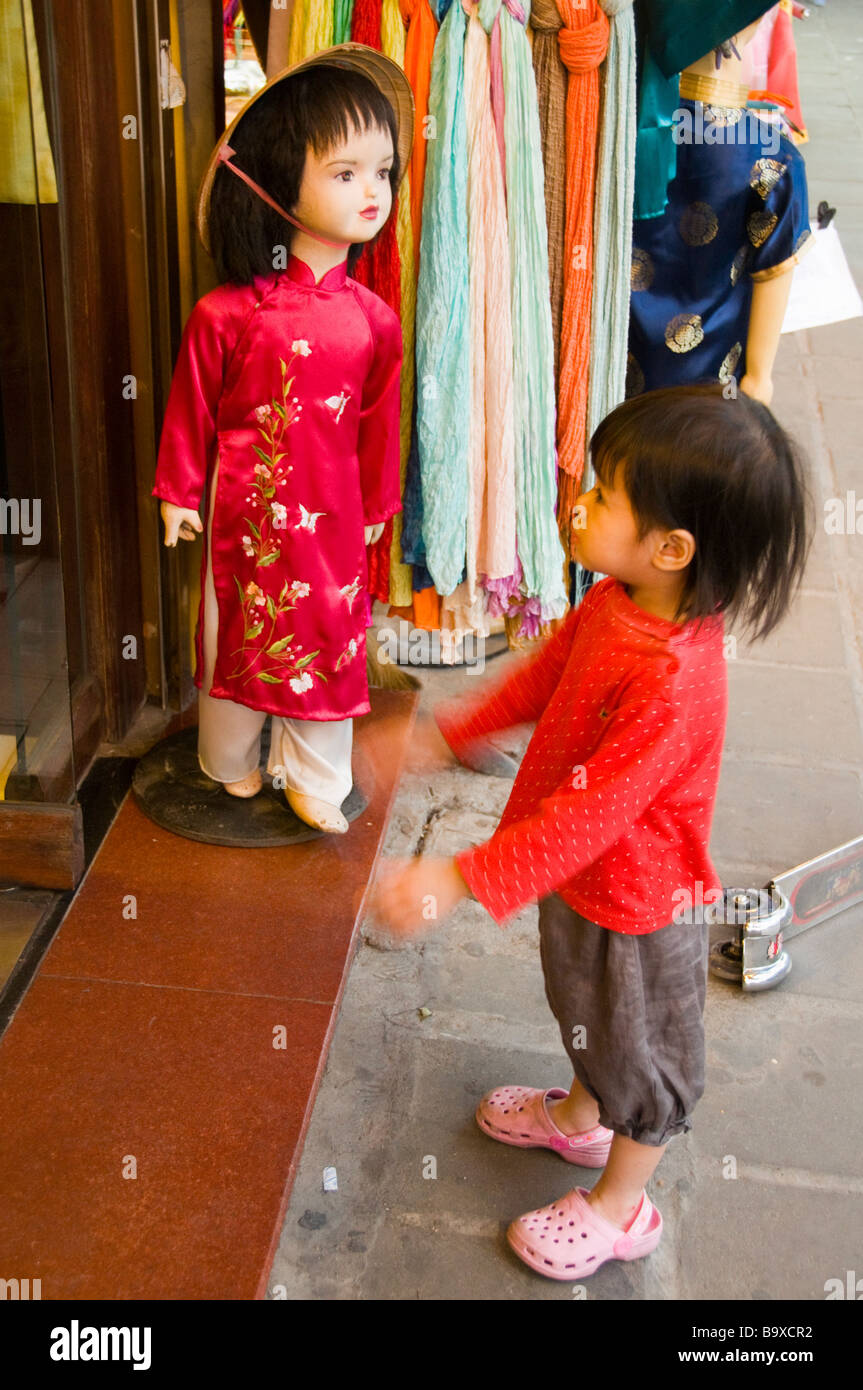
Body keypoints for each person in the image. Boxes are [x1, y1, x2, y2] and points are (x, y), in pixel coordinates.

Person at [371, 385, 811, 1281]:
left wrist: (458, 877)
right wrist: (449, 733)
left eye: (605, 494)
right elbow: (544, 680)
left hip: (640, 906)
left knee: (640, 1053)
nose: (579, 502)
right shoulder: (618, 600)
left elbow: (593, 812)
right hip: (582, 880)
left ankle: (622, 1207)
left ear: (671, 547)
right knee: (586, 1015)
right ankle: (580, 1117)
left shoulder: (675, 679)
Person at [153, 47, 413, 833]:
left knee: (329, 632)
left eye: (383, 171)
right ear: (273, 179)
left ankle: (313, 775)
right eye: (345, 173)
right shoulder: (226, 315)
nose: (372, 192)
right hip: (242, 516)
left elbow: (377, 424)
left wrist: (376, 506)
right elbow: (191, 407)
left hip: (331, 522)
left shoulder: (375, 322)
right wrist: (175, 492)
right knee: (228, 632)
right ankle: (228, 761)